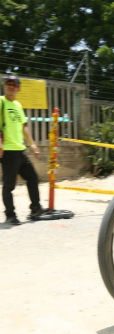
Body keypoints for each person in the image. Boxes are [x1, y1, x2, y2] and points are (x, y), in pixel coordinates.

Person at [0, 75, 45, 225]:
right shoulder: (1, 102)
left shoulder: (18, 105)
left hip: (20, 150)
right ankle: (10, 215)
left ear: (18, 88)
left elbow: (23, 126)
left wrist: (32, 144)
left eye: (14, 84)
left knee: (32, 178)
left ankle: (36, 208)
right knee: (9, 185)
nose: (11, 86)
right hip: (7, 150)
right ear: (5, 86)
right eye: (8, 84)